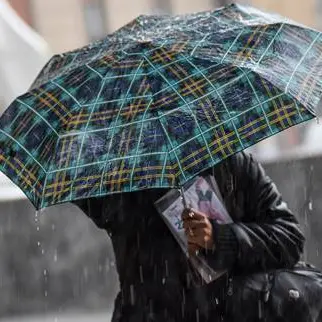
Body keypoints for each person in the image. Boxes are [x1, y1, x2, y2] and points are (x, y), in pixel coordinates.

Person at [74, 152, 304, 322]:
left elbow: (289, 238)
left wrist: (221, 238)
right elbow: (83, 189)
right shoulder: (118, 179)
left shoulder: (234, 165)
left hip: (228, 311)